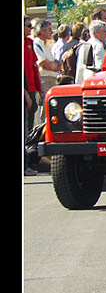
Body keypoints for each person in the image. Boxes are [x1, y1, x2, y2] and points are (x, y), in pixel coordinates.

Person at [32, 20, 60, 126]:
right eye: (49, 29)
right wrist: (55, 66)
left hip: (50, 80)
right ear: (41, 30)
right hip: (45, 80)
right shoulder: (37, 44)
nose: (51, 32)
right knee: (45, 108)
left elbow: (54, 65)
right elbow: (45, 64)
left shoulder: (44, 45)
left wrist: (55, 65)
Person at [24, 16, 42, 175]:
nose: (30, 28)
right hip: (25, 90)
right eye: (28, 26)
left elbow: (33, 66)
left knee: (29, 128)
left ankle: (29, 160)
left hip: (31, 88)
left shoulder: (29, 43)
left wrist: (39, 88)